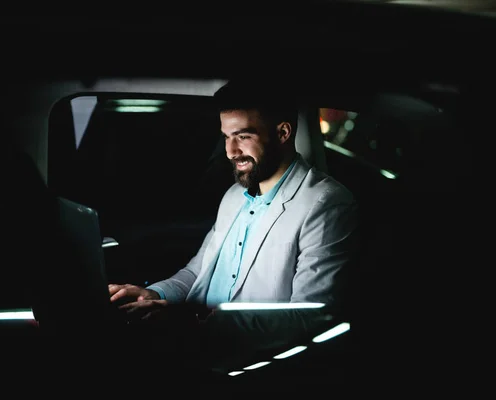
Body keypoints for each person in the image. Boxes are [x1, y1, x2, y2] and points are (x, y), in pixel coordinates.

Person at [109, 78, 360, 330]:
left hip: (245, 356)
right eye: (227, 137)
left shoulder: (326, 204)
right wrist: (155, 295)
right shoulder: (234, 195)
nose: (231, 151)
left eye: (243, 136)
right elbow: (197, 273)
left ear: (283, 133)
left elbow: (310, 316)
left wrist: (190, 323)